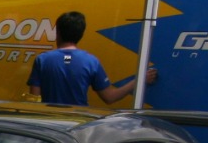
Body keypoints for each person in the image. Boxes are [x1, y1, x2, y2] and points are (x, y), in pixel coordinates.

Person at [27, 10, 158, 107]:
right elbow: (110, 97)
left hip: (50, 122)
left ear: (58, 32)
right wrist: (140, 80)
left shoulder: (42, 60)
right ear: (81, 34)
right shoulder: (91, 62)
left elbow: (34, 100)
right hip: (77, 122)